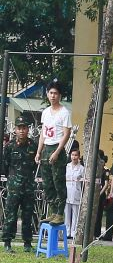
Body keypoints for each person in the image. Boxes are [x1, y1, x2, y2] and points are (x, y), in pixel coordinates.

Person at [36, 81, 70, 225]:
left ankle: (60, 213)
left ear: (60, 95)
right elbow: (43, 134)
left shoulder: (64, 112)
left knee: (58, 182)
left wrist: (57, 152)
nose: (53, 96)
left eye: (56, 93)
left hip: (57, 148)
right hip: (46, 149)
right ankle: (53, 211)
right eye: (51, 93)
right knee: (47, 183)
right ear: (47, 94)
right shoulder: (45, 112)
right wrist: (39, 152)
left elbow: (66, 134)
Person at [4, 122, 39, 251]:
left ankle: (27, 243)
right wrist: (12, 179)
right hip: (14, 187)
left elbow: (36, 165)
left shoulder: (33, 146)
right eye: (19, 128)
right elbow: (5, 165)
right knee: (11, 214)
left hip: (28, 185)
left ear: (28, 129)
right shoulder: (9, 146)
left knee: (28, 214)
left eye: (24, 128)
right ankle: (7, 241)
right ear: (15, 130)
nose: (22, 131)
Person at [64, 146, 86, 238]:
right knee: (67, 213)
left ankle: (73, 232)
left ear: (79, 156)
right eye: (72, 155)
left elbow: (84, 180)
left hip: (76, 192)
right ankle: (67, 231)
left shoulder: (81, 168)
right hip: (67, 191)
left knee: (75, 213)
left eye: (76, 155)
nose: (74, 157)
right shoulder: (67, 166)